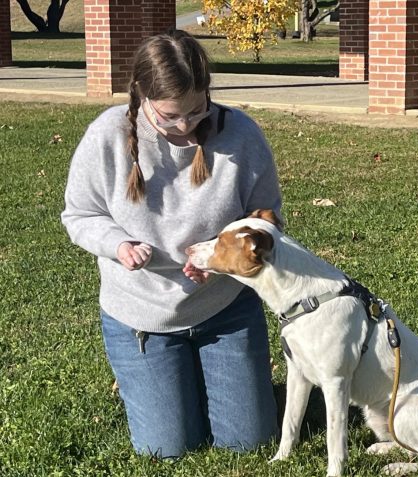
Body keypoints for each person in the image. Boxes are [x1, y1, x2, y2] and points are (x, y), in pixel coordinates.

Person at [61, 29, 281, 458]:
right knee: (167, 449)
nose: (184, 127)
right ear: (142, 97)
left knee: (250, 444)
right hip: (142, 318)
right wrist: (117, 244)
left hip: (225, 308)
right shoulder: (107, 135)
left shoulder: (241, 134)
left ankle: (211, 379)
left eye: (196, 112)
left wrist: (220, 262)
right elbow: (79, 215)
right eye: (169, 117)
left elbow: (268, 221)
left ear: (208, 91)